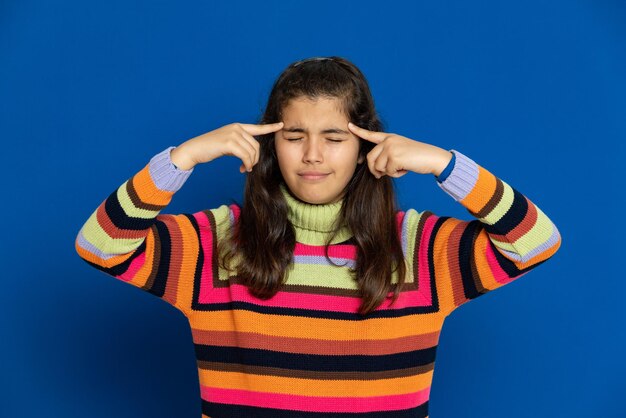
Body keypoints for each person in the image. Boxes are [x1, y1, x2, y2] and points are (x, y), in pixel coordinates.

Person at [75, 56, 562, 418]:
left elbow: (535, 241)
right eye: (293, 136)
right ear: (269, 144)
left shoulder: (417, 247)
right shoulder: (217, 242)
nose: (312, 154)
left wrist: (445, 165)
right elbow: (99, 244)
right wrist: (180, 159)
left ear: (365, 145)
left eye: (333, 138)